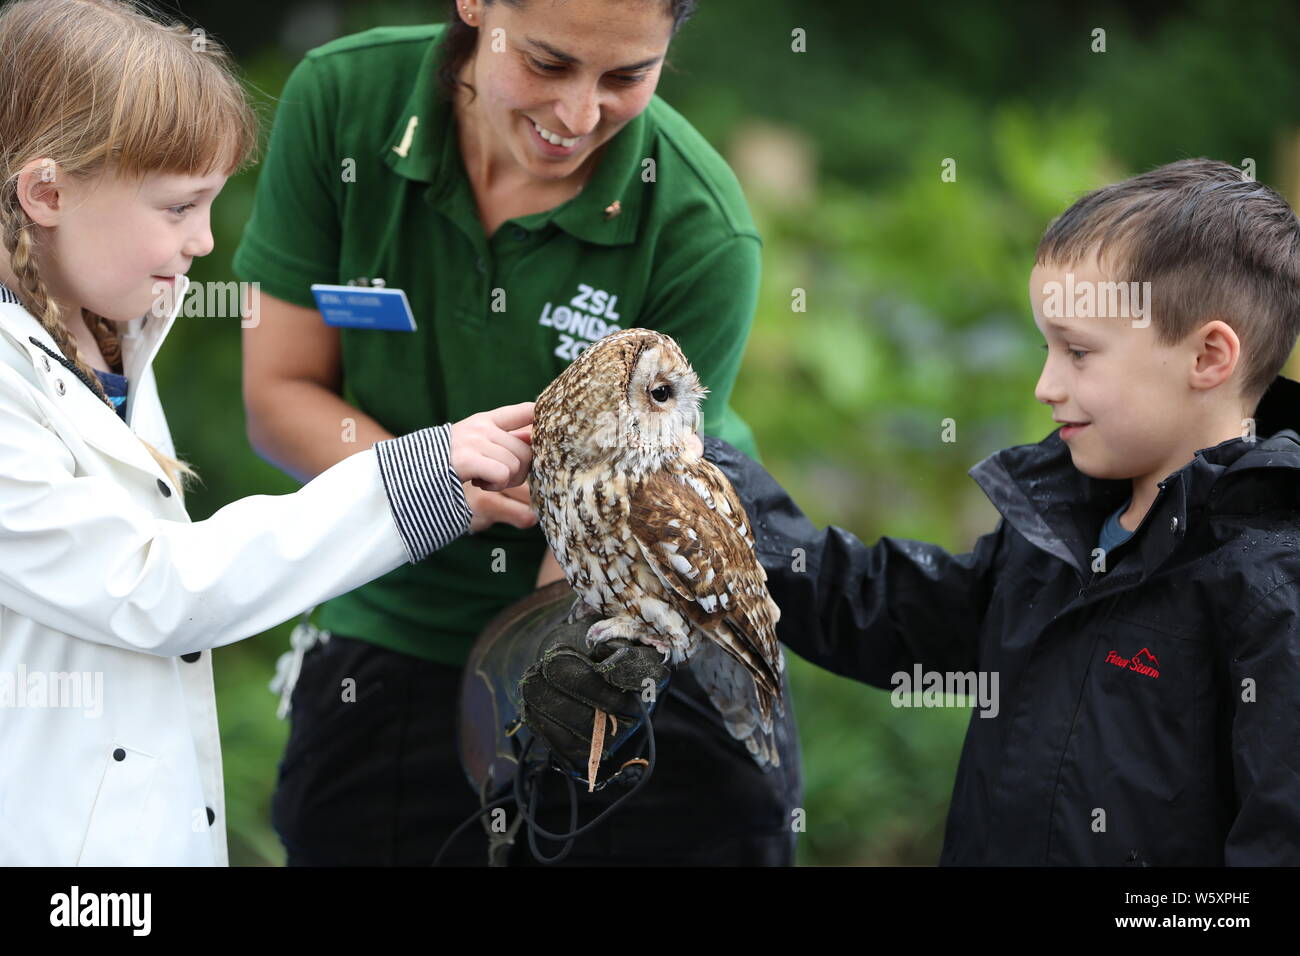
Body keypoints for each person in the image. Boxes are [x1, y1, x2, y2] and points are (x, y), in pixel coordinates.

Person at [531, 158, 1300, 864]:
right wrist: (694, 503)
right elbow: (886, 610)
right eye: (1043, 349)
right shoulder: (1066, 523)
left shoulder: (1268, 587)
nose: (1045, 384)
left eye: (1078, 353)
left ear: (1208, 358)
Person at [233, 0, 801, 865]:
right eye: (544, 62)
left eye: (626, 77)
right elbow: (279, 393)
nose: (578, 116)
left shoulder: (697, 223)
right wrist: (427, 486)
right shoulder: (343, 100)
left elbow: (638, 513)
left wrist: (561, 652)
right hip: (391, 601)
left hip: (622, 625)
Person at [0, 0, 532, 866]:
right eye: (178, 208)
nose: (204, 241)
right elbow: (151, 590)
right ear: (47, 192)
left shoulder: (105, 332)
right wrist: (411, 482)